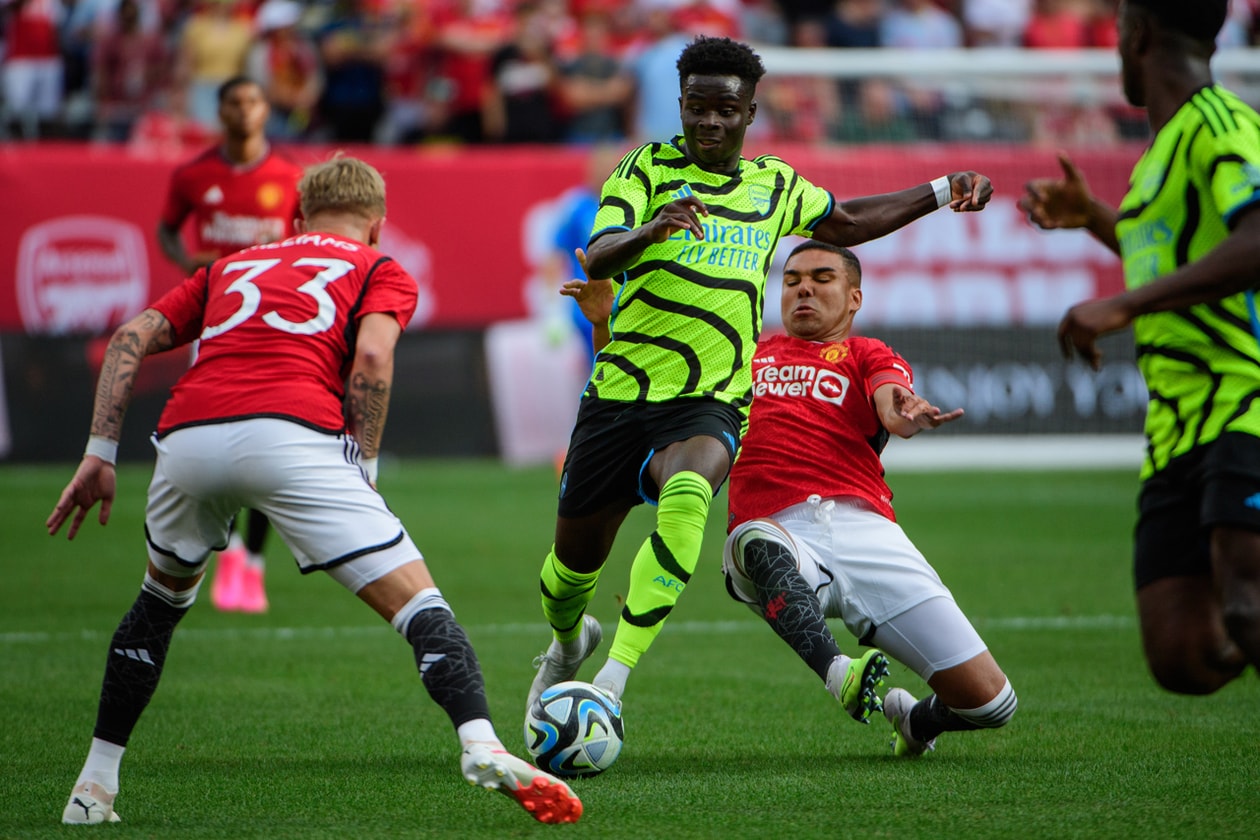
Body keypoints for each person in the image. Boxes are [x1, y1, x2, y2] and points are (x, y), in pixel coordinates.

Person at [47, 155, 582, 826]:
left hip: (187, 438)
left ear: (295, 219)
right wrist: (369, 464)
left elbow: (129, 338)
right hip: (294, 436)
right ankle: (479, 743)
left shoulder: (230, 266)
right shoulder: (378, 268)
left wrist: (99, 453)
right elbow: (375, 357)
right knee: (425, 612)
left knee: (157, 607)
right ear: (377, 227)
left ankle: (93, 788)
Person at [525, 35, 993, 718]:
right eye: (696, 108)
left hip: (708, 400)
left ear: (749, 112)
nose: (709, 122)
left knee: (689, 502)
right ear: (680, 106)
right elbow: (598, 255)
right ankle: (569, 644)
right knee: (568, 576)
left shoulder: (775, 185)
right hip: (620, 396)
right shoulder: (643, 168)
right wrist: (652, 231)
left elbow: (848, 220)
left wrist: (940, 191)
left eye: (725, 110)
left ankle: (611, 684)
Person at [1019, 0, 1260, 695]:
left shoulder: (1220, 125)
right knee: (1183, 656)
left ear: (1140, 34)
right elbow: (1169, 253)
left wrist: (1121, 304)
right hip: (1175, 425)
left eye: (1120, 31)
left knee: (1248, 606)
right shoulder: (1160, 155)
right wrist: (1094, 217)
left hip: (1243, 400)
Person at [722, 241, 1015, 754]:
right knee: (755, 540)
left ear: (854, 297)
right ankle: (840, 674)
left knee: (990, 703)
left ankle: (915, 722)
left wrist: (905, 413)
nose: (804, 288)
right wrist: (599, 325)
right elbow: (654, 394)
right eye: (791, 281)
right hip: (779, 530)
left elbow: (892, 405)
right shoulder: (746, 354)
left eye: (822, 277)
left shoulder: (867, 353)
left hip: (867, 530)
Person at [156, 74, 304, 613]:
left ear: (266, 110)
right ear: (219, 112)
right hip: (216, 320)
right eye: (233, 103)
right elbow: (167, 228)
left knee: (273, 433)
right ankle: (231, 545)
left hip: (277, 324)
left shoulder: (290, 176)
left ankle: (252, 562)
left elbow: (306, 240)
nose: (244, 111)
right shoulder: (195, 175)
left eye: (252, 101)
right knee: (219, 433)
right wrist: (187, 262)